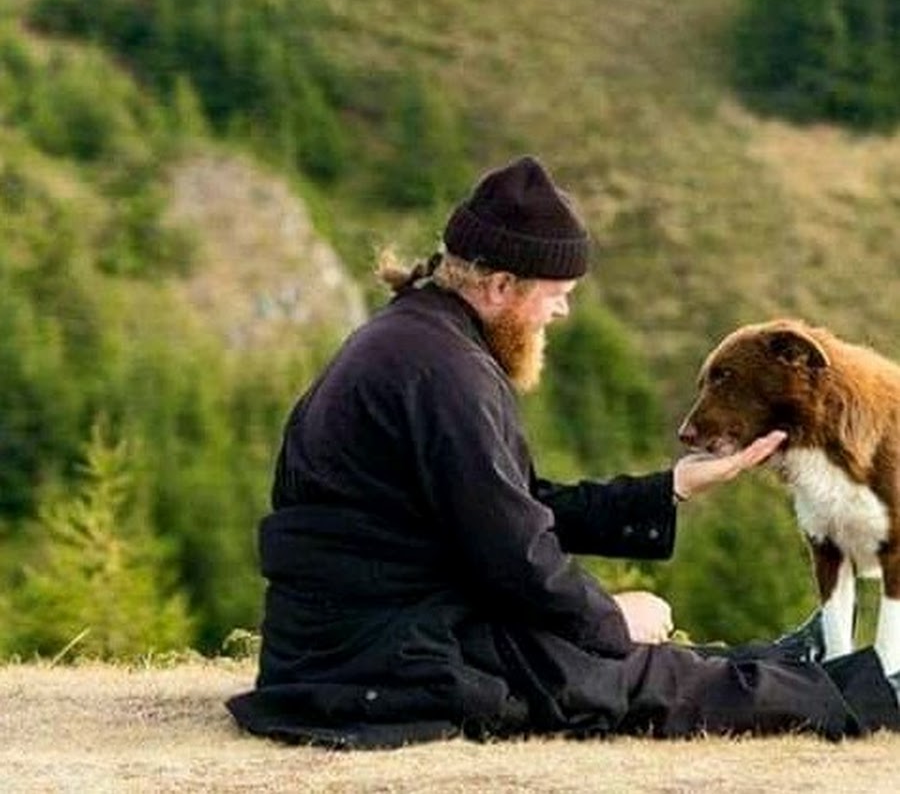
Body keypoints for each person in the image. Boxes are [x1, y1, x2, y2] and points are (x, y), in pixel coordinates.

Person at [227, 156, 900, 747]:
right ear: (499, 288)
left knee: (648, 664)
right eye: (556, 296)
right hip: (391, 666)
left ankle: (814, 665)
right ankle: (875, 696)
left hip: (344, 651)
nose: (562, 313)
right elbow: (512, 552)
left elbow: (512, 505)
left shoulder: (415, 343)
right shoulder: (443, 373)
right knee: (639, 680)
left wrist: (671, 488)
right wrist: (611, 619)